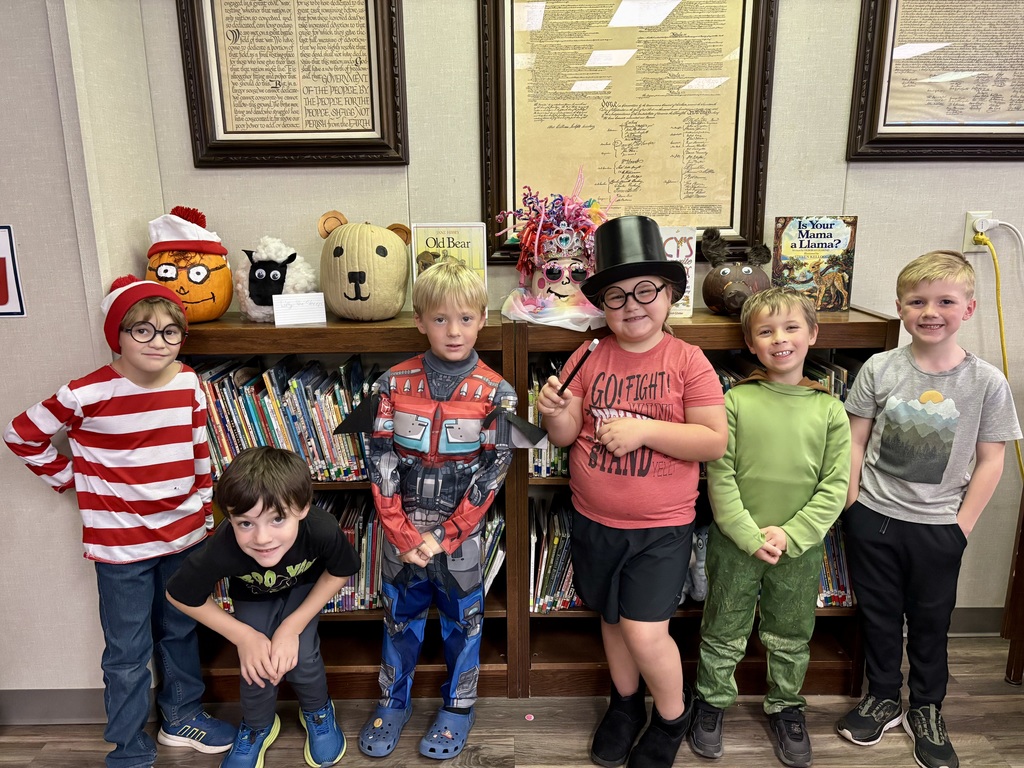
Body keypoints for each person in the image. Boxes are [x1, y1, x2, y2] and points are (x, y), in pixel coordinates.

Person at [3, 276, 235, 768]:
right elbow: (21, 434)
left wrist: (202, 506)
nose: (159, 342)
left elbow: (199, 450)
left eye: (172, 332)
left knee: (181, 631)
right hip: (120, 550)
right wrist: (72, 480)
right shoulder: (85, 393)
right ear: (118, 335)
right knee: (128, 651)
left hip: (184, 537)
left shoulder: (189, 382)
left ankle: (182, 716)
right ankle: (128, 747)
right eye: (143, 330)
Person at [536, 215, 728, 768]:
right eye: (616, 295)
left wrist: (644, 430)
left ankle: (671, 716)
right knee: (614, 622)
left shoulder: (687, 361)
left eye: (646, 291)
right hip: (594, 521)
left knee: (646, 632)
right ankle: (624, 705)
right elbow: (567, 434)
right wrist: (555, 412)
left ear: (668, 295)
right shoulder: (589, 355)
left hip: (660, 530)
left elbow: (713, 441)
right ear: (601, 304)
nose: (632, 305)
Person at [836, 250, 1021, 768]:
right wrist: (854, 505)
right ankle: (881, 697)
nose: (930, 311)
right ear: (900, 308)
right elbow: (855, 442)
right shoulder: (880, 367)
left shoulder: (987, 382)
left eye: (945, 300)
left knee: (930, 620)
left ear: (970, 308)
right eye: (917, 301)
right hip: (873, 516)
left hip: (940, 525)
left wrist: (960, 528)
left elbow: (991, 461)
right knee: (877, 614)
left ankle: (927, 708)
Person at [356, 261, 518, 760]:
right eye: (441, 319)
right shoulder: (388, 384)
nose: (454, 330)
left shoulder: (500, 392)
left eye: (466, 319)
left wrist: (445, 535)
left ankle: (459, 706)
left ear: (483, 320)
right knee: (399, 620)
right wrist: (402, 533)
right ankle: (392, 700)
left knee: (464, 624)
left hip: (460, 540)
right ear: (420, 321)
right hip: (399, 537)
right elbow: (376, 456)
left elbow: (494, 472)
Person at [689, 287, 851, 768]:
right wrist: (747, 533)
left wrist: (791, 534)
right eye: (766, 331)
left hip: (798, 549)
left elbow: (835, 486)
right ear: (751, 343)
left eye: (791, 327)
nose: (779, 339)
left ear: (813, 334)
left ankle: (785, 706)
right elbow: (720, 473)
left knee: (790, 632)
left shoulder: (829, 410)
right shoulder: (735, 400)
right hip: (736, 543)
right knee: (723, 628)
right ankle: (712, 702)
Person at [166, 446, 360, 768]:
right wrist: (244, 637)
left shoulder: (321, 528)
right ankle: (258, 726)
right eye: (245, 523)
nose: (262, 538)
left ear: (302, 508)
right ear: (229, 516)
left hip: (303, 589)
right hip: (253, 596)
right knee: (257, 663)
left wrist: (292, 626)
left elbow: (340, 571)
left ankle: (318, 709)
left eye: (277, 519)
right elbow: (180, 595)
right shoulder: (223, 546)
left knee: (303, 656)